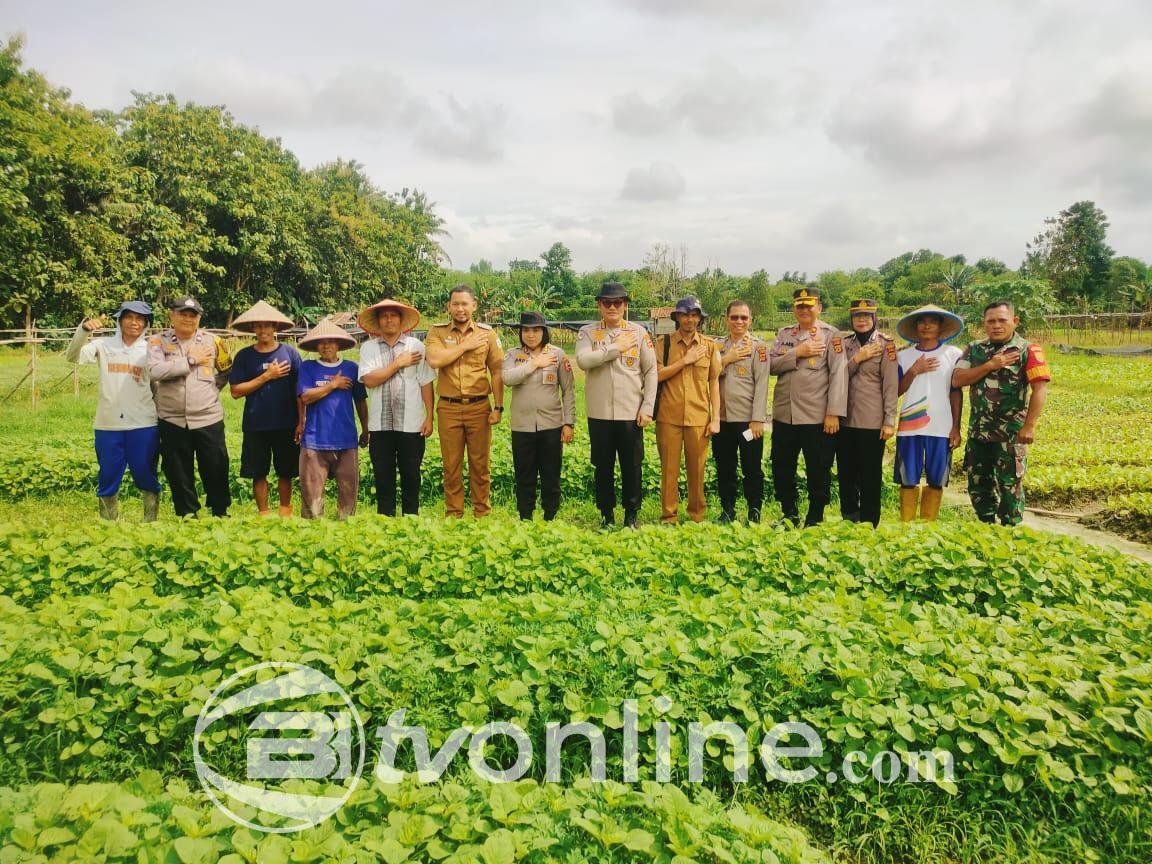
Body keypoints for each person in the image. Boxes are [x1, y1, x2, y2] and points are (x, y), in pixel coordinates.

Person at [952, 301, 1052, 526]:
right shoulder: (974, 349)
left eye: (1002, 320)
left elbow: (1039, 388)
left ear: (1014, 321)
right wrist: (990, 365)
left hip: (1011, 434)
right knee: (979, 484)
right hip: (979, 432)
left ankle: (1010, 529)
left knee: (1010, 485)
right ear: (984, 324)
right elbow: (957, 379)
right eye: (991, 321)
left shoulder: (1028, 350)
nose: (996, 325)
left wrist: (1030, 426)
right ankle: (986, 525)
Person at [65, 300, 161, 521]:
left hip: (143, 423)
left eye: (140, 319)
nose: (134, 323)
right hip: (108, 424)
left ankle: (151, 524)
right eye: (129, 317)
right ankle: (108, 525)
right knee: (108, 475)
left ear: (146, 323)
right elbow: (72, 357)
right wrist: (83, 331)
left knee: (146, 474)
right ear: (120, 320)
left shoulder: (151, 349)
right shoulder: (103, 345)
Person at [575, 281, 657, 529]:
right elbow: (583, 360)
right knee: (603, 467)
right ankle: (606, 515)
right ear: (599, 305)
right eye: (607, 303)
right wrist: (614, 349)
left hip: (630, 412)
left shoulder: (639, 333)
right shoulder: (588, 333)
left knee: (632, 467)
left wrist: (647, 407)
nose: (612, 307)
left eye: (617, 302)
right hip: (599, 413)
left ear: (625, 305)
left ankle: (631, 515)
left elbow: (651, 371)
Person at [147, 296, 233, 518]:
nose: (187, 318)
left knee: (216, 466)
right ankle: (188, 515)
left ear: (199, 318)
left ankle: (220, 511)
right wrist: (190, 361)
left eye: (192, 315)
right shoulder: (157, 342)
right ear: (171, 315)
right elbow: (155, 371)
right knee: (178, 470)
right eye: (182, 313)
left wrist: (213, 390)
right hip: (172, 418)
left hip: (208, 417)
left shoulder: (214, 341)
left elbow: (226, 370)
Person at [768, 287, 848, 527]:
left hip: (816, 416)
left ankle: (815, 517)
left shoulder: (831, 336)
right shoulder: (784, 335)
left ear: (819, 308)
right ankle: (789, 513)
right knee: (782, 467)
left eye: (809, 305)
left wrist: (833, 413)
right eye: (799, 306)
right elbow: (771, 365)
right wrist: (797, 352)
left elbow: (839, 375)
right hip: (785, 415)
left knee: (818, 469)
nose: (803, 310)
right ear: (794, 308)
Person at [424, 286, 505, 518]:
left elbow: (497, 371)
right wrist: (465, 346)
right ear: (448, 306)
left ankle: (482, 513)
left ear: (474, 305)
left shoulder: (487, 334)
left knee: (480, 465)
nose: (460, 308)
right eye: (455, 304)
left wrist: (498, 407)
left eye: (464, 304)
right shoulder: (437, 333)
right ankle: (454, 514)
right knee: (451, 466)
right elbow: (435, 360)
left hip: (479, 407)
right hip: (448, 408)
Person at [357, 299, 435, 517]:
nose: (389, 319)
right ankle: (386, 521)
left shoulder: (416, 347)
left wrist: (429, 417)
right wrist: (397, 364)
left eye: (393, 315)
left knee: (412, 475)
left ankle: (411, 520)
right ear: (378, 321)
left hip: (411, 424)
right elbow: (369, 380)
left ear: (401, 320)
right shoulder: (369, 348)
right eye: (384, 316)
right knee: (383, 476)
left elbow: (426, 383)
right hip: (380, 425)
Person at [228, 300, 301, 517]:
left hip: (286, 422)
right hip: (256, 424)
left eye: (268, 325)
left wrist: (301, 421)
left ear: (275, 328)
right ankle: (264, 514)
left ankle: (285, 512)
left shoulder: (290, 354)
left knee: (286, 471)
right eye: (258, 326)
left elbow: (300, 391)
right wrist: (267, 376)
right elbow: (235, 391)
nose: (263, 330)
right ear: (253, 329)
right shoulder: (244, 356)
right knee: (257, 472)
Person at [893, 304, 964, 522]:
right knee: (908, 479)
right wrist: (914, 370)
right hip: (909, 426)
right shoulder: (903, 356)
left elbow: (955, 391)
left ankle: (927, 526)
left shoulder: (953, 354)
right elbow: (896, 390)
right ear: (915, 327)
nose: (927, 326)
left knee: (936, 479)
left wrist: (956, 427)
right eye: (922, 322)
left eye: (933, 321)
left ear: (941, 327)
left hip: (942, 426)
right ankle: (906, 527)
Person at [502, 311, 575, 521]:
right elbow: (507, 378)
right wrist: (534, 364)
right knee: (524, 475)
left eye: (536, 330)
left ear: (544, 331)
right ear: (521, 332)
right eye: (526, 330)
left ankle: (550, 516)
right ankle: (525, 517)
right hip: (522, 426)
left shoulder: (558, 355)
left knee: (551, 475)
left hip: (551, 425)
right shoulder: (513, 355)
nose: (531, 335)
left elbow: (568, 390)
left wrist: (568, 423)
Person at [655, 296, 721, 524]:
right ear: (677, 317)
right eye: (685, 315)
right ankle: (669, 516)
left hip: (699, 417)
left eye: (694, 315)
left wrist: (716, 418)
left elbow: (714, 382)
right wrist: (685, 361)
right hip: (668, 417)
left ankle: (696, 516)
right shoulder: (664, 344)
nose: (689, 320)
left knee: (697, 470)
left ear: (699, 319)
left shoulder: (710, 346)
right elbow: (656, 375)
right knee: (669, 470)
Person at [296, 319, 369, 520]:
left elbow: (360, 401)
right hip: (314, 440)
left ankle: (344, 533)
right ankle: (313, 534)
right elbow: (305, 397)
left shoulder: (351, 368)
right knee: (311, 499)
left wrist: (365, 428)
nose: (326, 345)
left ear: (339, 344)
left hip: (346, 439)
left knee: (348, 493)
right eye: (321, 342)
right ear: (316, 346)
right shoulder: (308, 368)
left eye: (331, 341)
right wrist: (332, 385)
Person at [836, 299, 899, 526]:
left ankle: (870, 521)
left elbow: (891, 385)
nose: (861, 320)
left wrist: (889, 420)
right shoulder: (844, 344)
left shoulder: (886, 345)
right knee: (846, 473)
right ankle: (849, 518)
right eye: (857, 316)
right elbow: (837, 376)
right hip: (845, 420)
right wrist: (858, 358)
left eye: (866, 316)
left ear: (874, 318)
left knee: (870, 475)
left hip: (872, 421)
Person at [713, 299, 769, 524]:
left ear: (750, 320)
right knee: (725, 468)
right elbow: (707, 376)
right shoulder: (717, 347)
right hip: (722, 420)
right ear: (726, 319)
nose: (739, 321)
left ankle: (754, 512)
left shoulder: (759, 348)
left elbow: (763, 384)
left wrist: (758, 419)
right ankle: (728, 510)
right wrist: (727, 359)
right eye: (734, 317)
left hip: (748, 422)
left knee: (752, 469)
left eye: (743, 318)